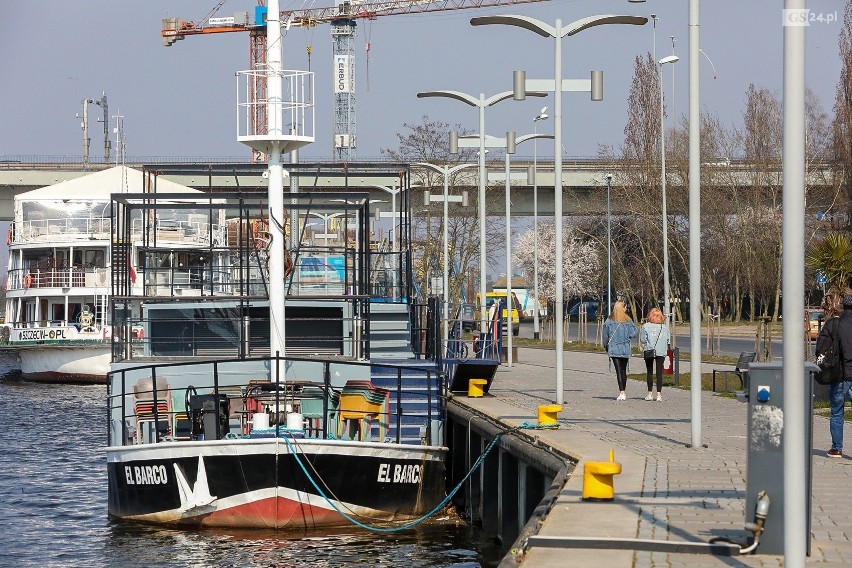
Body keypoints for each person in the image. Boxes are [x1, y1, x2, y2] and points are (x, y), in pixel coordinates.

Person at [818, 288, 852, 457]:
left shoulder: (833, 324)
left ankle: (836, 448)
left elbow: (820, 349)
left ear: (842, 306)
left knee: (837, 411)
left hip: (839, 376)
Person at [603, 300, 638, 401]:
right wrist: (626, 335)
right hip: (625, 348)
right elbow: (634, 333)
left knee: (618, 370)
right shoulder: (628, 320)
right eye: (625, 307)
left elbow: (605, 335)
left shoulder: (609, 320)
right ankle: (623, 391)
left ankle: (622, 392)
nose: (626, 309)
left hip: (614, 348)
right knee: (623, 370)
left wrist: (605, 346)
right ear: (622, 308)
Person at [641, 307, 671, 401]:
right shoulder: (664, 327)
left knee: (649, 372)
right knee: (659, 373)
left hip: (649, 350)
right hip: (661, 351)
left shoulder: (646, 326)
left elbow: (643, 339)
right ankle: (659, 395)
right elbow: (668, 340)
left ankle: (650, 394)